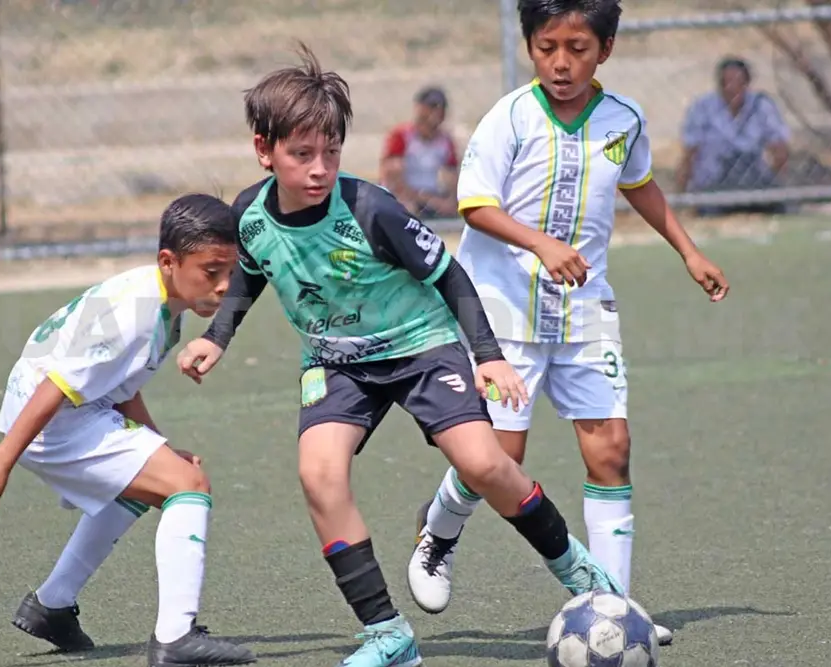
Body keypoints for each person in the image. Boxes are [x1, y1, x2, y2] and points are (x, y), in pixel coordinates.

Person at [177, 43, 622, 667]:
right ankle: (388, 633)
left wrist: (487, 357)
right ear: (264, 149)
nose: (318, 168)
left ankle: (587, 580)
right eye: (301, 154)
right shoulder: (248, 214)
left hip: (421, 347)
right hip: (334, 361)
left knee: (484, 466)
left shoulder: (370, 209)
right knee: (318, 475)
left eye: (330, 153)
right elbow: (250, 272)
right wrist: (214, 337)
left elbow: (450, 276)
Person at [405, 0, 731, 647]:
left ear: (604, 49)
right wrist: (541, 244)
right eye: (547, 45)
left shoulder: (623, 119)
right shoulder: (511, 118)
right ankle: (436, 534)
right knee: (499, 461)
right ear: (529, 46)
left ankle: (613, 609)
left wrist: (688, 251)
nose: (560, 62)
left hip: (585, 313)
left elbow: (639, 184)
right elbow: (474, 205)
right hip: (502, 315)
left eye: (576, 47)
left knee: (609, 449)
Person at [0, 194, 256, 667]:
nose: (222, 287)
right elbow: (55, 387)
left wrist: (160, 447)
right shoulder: (133, 312)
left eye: (229, 273)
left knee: (164, 480)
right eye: (210, 271)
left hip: (67, 411)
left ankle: (52, 605)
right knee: (189, 485)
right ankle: (176, 639)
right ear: (168, 261)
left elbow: (118, 387)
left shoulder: (161, 301)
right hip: (51, 420)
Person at [676, 56, 791, 215]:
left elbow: (779, 149)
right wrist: (682, 193)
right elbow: (689, 154)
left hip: (754, 184)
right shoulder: (702, 107)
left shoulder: (762, 105)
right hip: (715, 185)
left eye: (738, 83)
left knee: (779, 207)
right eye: (726, 83)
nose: (731, 88)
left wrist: (772, 180)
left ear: (747, 83)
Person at [379, 86, 460, 220]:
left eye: (441, 107)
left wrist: (451, 201)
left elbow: (452, 177)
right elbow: (393, 179)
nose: (437, 112)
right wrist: (430, 200)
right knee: (407, 207)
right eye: (432, 106)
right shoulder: (402, 136)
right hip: (404, 197)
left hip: (430, 196)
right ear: (419, 108)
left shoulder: (445, 141)